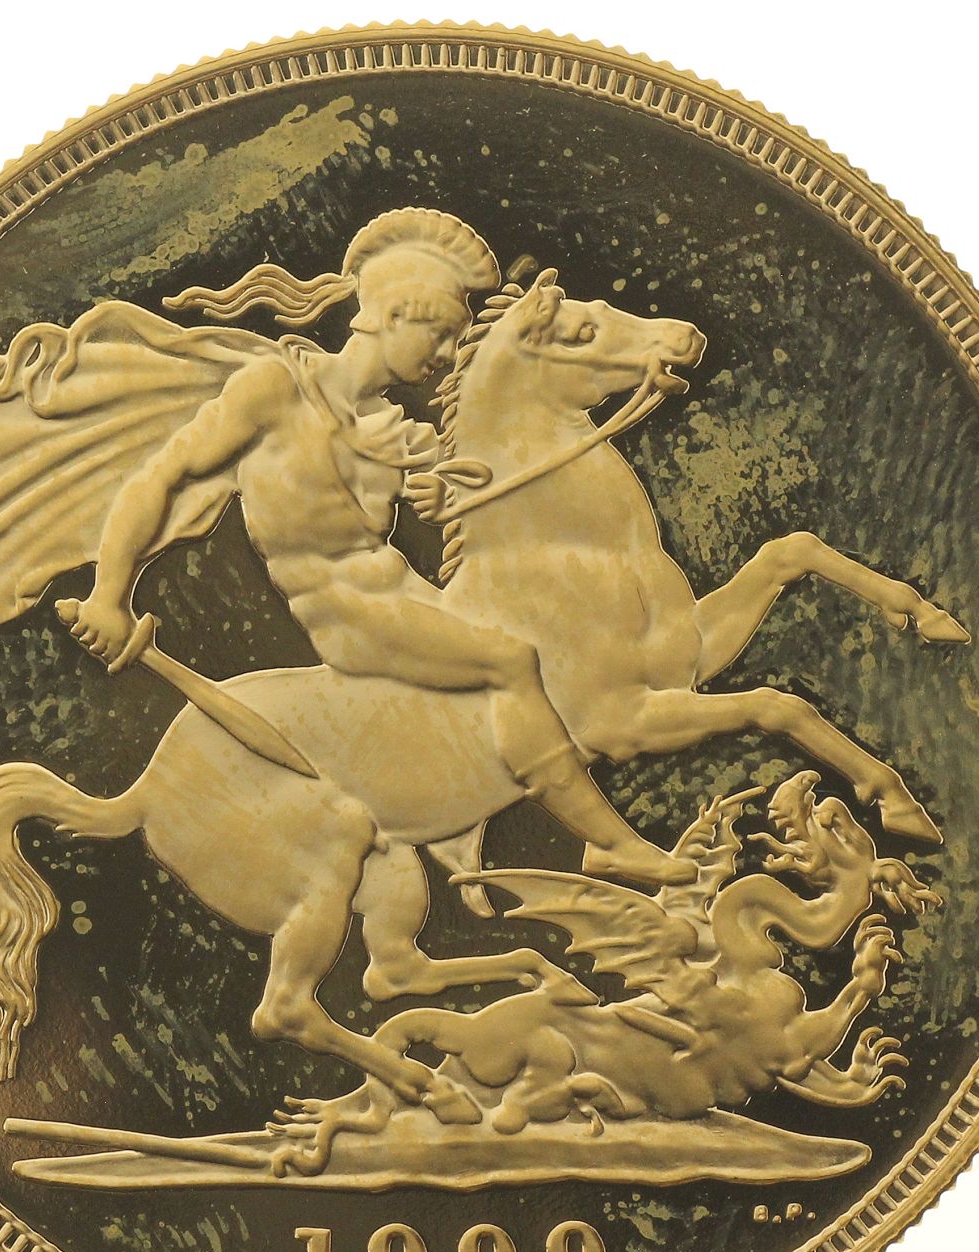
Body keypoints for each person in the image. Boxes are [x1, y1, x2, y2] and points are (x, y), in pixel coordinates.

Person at [60, 208, 689, 887]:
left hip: (402, 592)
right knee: (510, 660)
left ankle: (483, 803)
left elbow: (466, 485)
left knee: (545, 657)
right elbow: (160, 477)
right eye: (440, 334)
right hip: (344, 612)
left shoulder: (392, 428)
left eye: (454, 340)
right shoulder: (276, 391)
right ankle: (606, 843)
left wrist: (447, 494)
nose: (445, 355)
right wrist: (108, 595)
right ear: (394, 314)